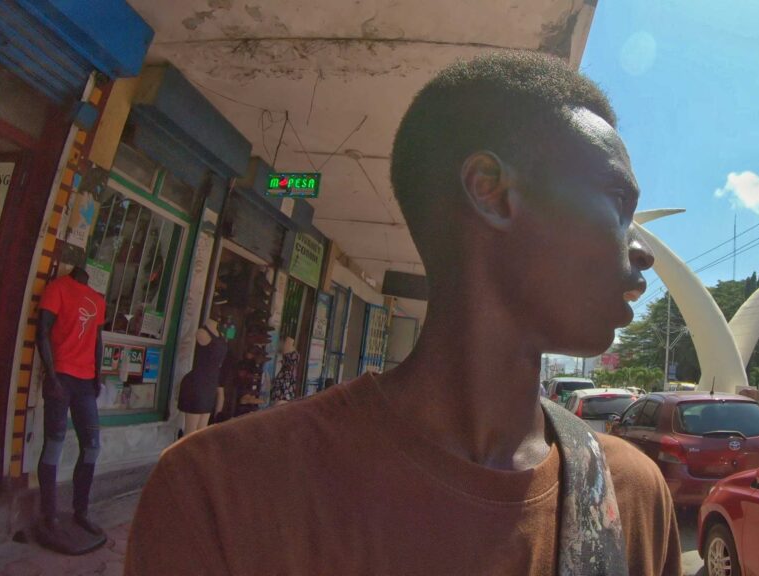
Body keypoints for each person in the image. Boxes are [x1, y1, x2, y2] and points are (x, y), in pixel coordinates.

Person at [126, 52, 681, 575]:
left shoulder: (629, 494)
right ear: (491, 191)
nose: (642, 250)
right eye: (618, 201)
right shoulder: (221, 493)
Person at [36, 266, 106, 537]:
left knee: (91, 447)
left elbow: (98, 339)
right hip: (61, 377)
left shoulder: (97, 300)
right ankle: (49, 513)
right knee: (53, 444)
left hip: (85, 381)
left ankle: (81, 511)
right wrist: (51, 376)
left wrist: (98, 374)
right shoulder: (57, 288)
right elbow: (42, 331)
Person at [175, 303, 229, 437]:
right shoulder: (202, 332)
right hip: (197, 384)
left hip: (210, 385)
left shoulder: (220, 334)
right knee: (190, 432)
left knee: (201, 432)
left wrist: (219, 391)